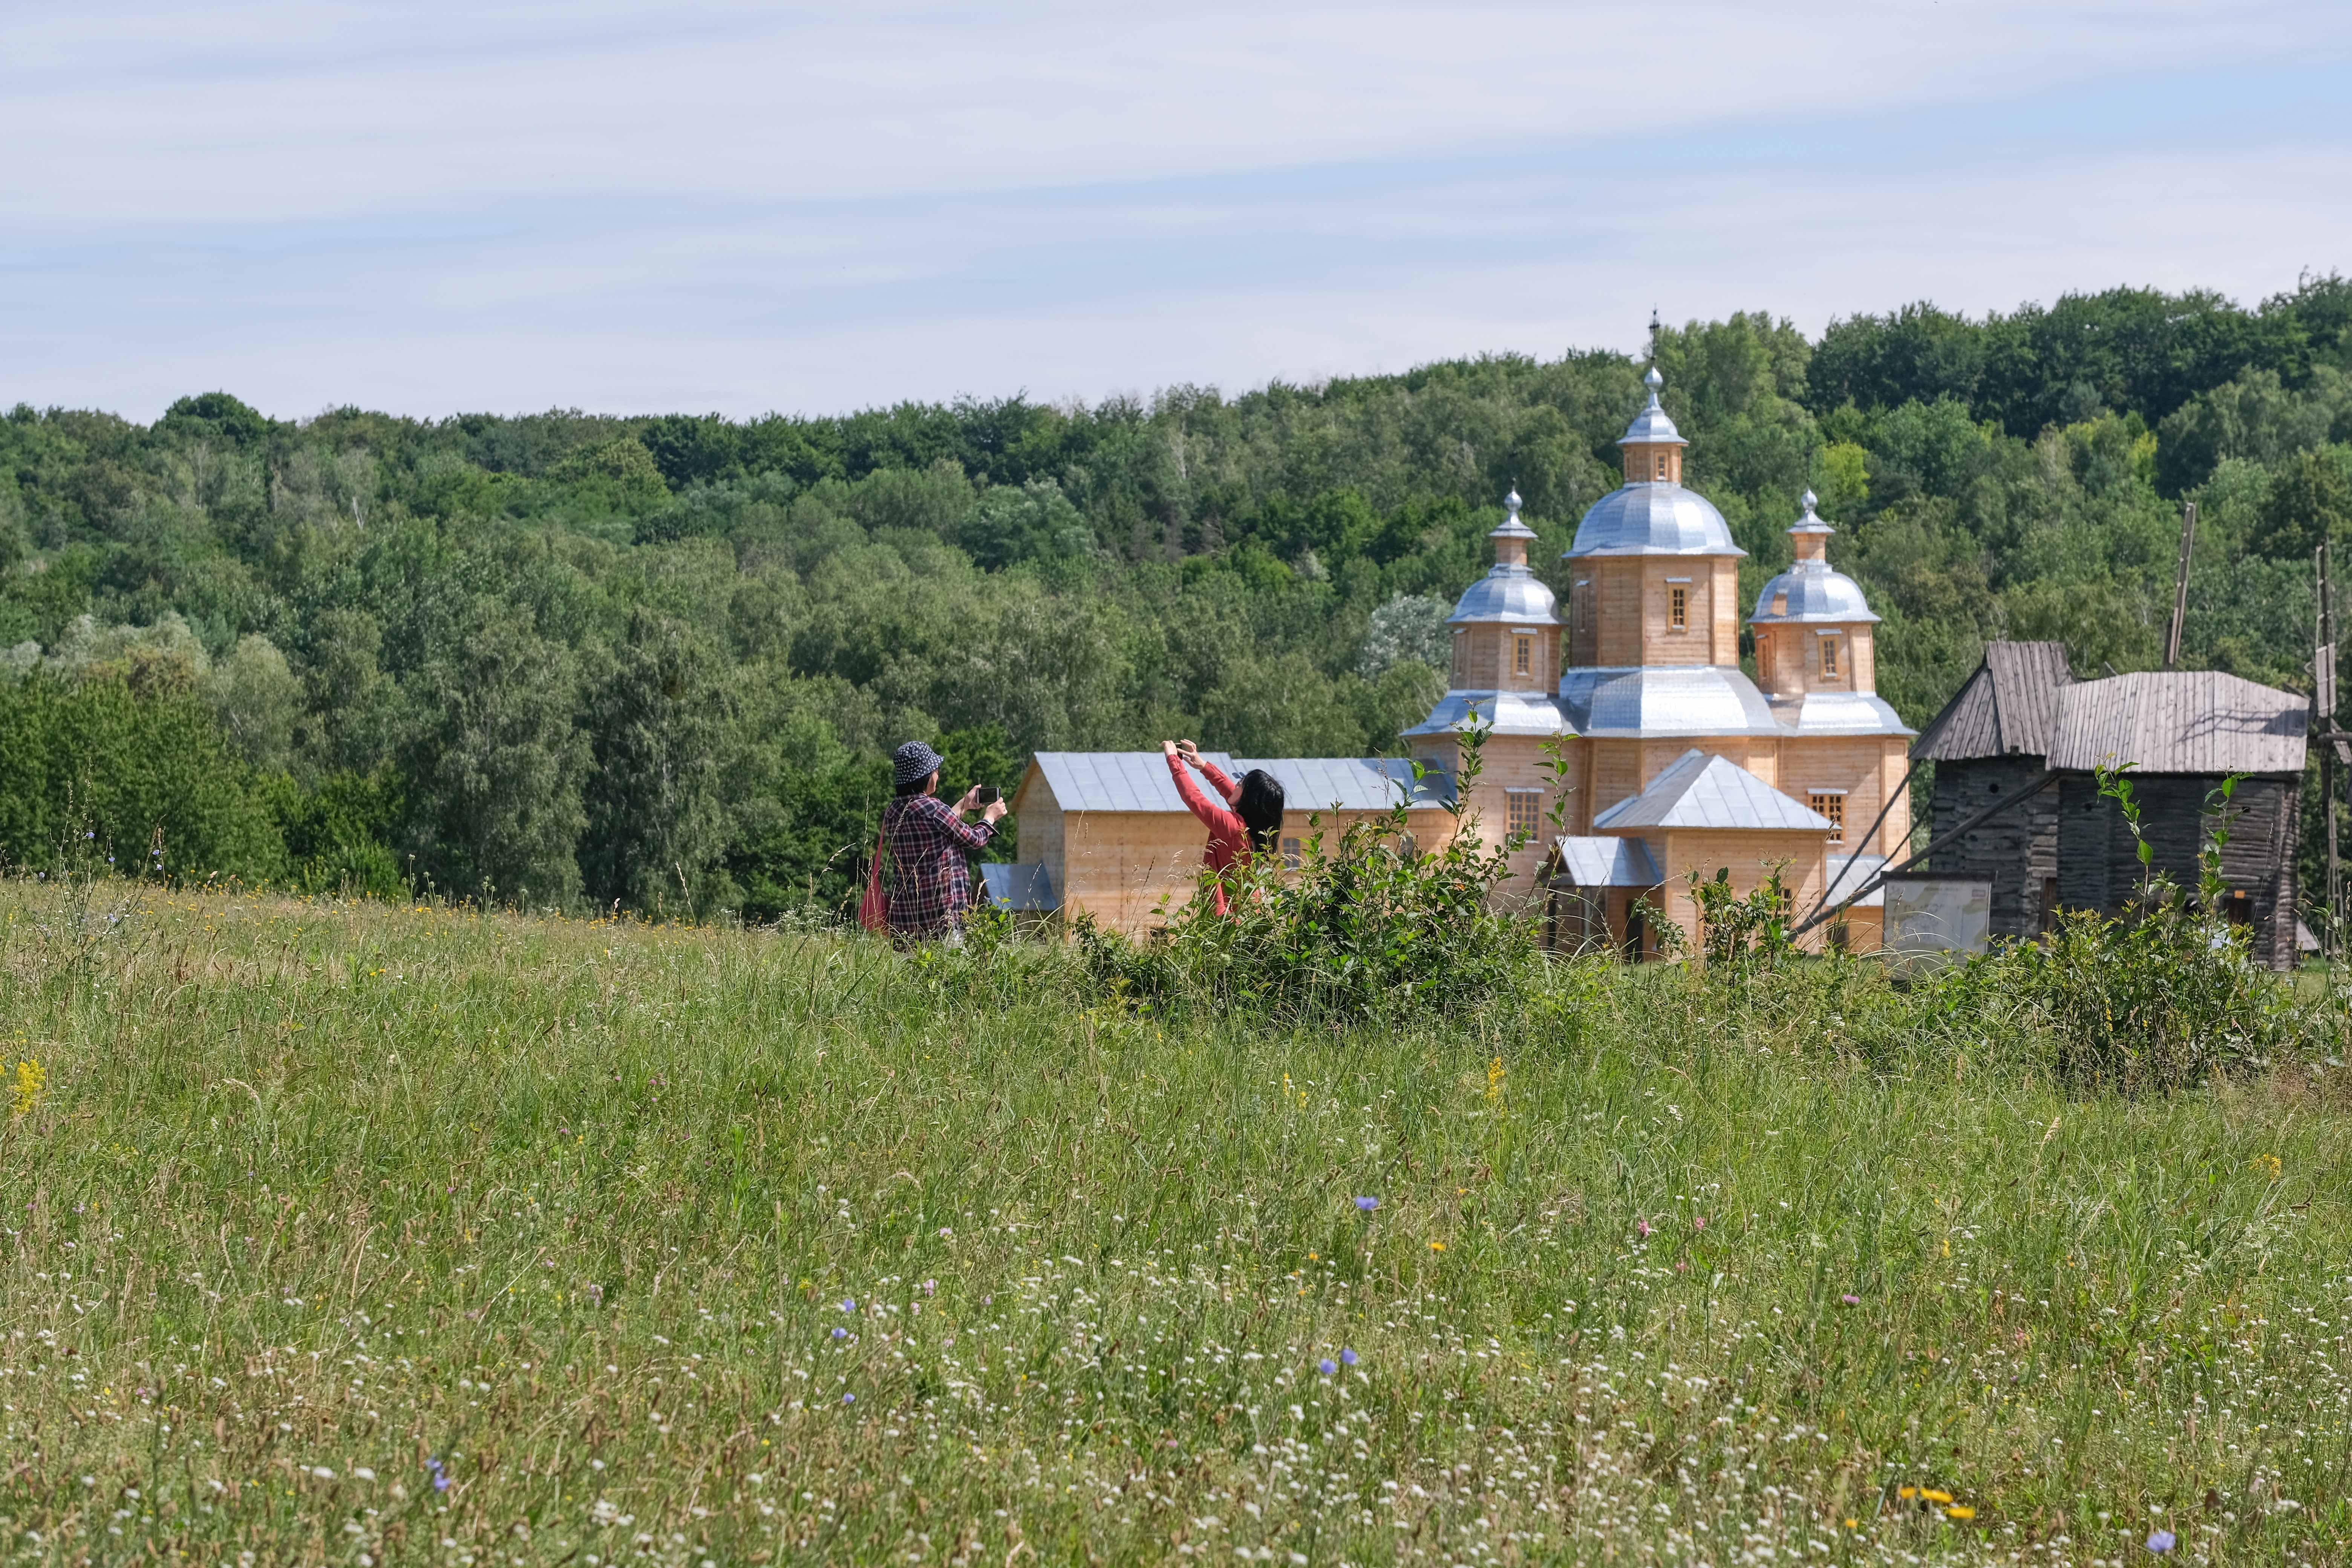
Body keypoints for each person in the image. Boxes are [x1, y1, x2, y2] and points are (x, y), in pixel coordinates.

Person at [879, 740, 1006, 942]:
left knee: (911, 964)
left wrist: (965, 804)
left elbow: (939, 828)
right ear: (925, 776)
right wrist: (990, 818)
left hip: (905, 919)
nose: (938, 775)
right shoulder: (934, 809)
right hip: (941, 916)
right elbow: (974, 839)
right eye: (936, 770)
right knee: (950, 964)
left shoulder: (893, 811)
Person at [1163, 739, 1285, 915]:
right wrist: (1203, 766)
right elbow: (1232, 794)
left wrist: (1173, 760)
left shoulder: (1233, 828)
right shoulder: (1252, 827)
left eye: (1242, 784)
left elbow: (1194, 798)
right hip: (1249, 912)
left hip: (1227, 919)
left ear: (1249, 799)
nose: (1236, 784)